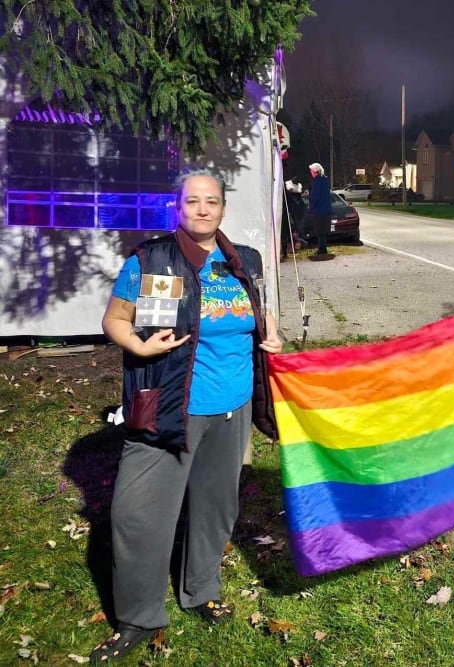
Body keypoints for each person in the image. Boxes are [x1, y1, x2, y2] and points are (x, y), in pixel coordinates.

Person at [90, 166, 282, 663]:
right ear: (179, 207)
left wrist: (272, 334)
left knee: (216, 509)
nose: (202, 209)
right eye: (192, 201)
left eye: (212, 201)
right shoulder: (153, 259)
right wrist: (138, 344)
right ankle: (138, 615)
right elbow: (115, 318)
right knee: (137, 515)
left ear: (222, 208)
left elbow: (257, 311)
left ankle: (200, 589)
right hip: (169, 406)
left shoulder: (243, 261)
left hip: (231, 410)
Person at [308, 162, 332, 256]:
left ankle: (321, 249)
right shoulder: (325, 180)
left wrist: (311, 207)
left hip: (319, 210)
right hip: (326, 209)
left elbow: (315, 196)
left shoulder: (317, 181)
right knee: (324, 230)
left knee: (319, 230)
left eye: (311, 171)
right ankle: (323, 247)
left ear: (315, 171)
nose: (310, 172)